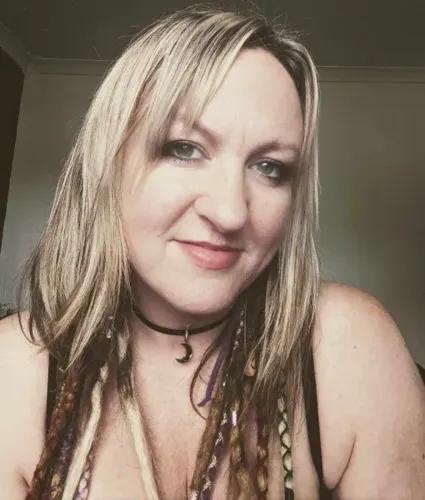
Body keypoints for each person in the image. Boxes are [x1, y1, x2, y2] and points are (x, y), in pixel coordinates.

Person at [0, 5, 424, 500]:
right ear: (107, 164)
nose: (230, 212)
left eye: (269, 167)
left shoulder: (347, 347)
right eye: (185, 149)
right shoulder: (16, 368)